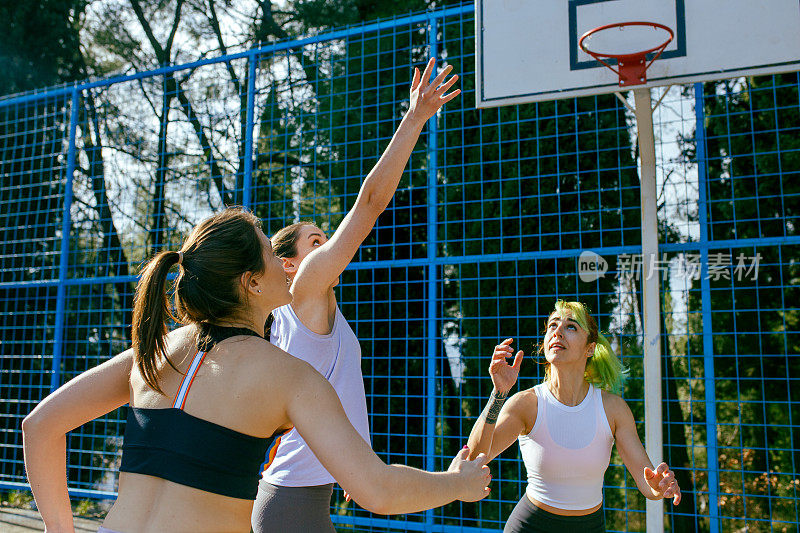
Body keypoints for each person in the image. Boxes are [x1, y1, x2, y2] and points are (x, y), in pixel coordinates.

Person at [22, 208, 491, 533]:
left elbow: (40, 425)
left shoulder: (154, 352)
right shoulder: (291, 378)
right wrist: (459, 484)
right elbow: (378, 492)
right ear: (251, 282)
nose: (285, 266)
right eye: (272, 253)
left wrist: (60, 527)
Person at [252, 57, 460, 532]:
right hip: (290, 507)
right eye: (316, 241)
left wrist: (346, 457)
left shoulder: (313, 312)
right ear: (290, 264)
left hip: (299, 502)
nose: (328, 246)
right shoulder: (303, 290)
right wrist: (415, 117)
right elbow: (369, 204)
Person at [466, 300, 681, 533]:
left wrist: (660, 487)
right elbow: (474, 460)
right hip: (531, 525)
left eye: (571, 326)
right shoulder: (526, 404)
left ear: (590, 348)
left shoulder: (613, 409)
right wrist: (498, 394)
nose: (557, 332)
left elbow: (648, 483)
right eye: (552, 325)